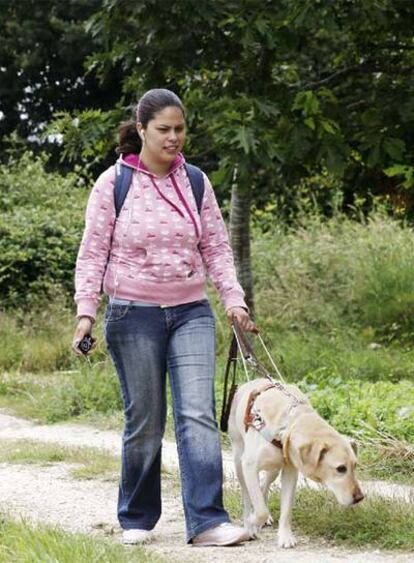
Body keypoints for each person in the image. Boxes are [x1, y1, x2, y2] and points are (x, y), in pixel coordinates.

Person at [72, 88, 255, 547]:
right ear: (141, 130)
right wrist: (85, 314)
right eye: (164, 130)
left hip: (191, 310)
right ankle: (136, 517)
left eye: (180, 129)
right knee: (146, 419)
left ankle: (208, 520)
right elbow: (92, 253)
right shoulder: (113, 183)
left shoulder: (195, 181)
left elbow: (215, 246)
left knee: (196, 414)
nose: (174, 138)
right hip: (133, 314)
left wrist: (234, 300)